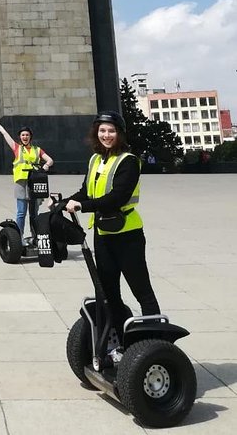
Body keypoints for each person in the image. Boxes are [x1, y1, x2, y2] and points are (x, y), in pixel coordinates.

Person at [64, 110, 161, 347]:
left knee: (141, 290)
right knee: (107, 293)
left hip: (127, 235)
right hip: (103, 234)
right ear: (96, 133)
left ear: (119, 134)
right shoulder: (96, 159)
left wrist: (82, 206)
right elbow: (86, 192)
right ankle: (124, 343)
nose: (106, 135)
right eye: (102, 130)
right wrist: (63, 203)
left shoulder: (129, 161)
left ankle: (156, 344)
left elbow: (117, 197)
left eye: (111, 131)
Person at [0, 119, 54, 239]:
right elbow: (5, 134)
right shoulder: (17, 148)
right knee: (21, 212)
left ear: (30, 137)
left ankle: (35, 236)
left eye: (27, 135)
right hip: (21, 183)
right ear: (20, 137)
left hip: (34, 182)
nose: (25, 137)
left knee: (34, 213)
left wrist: (46, 165)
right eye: (23, 135)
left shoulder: (37, 150)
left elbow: (50, 160)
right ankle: (19, 236)